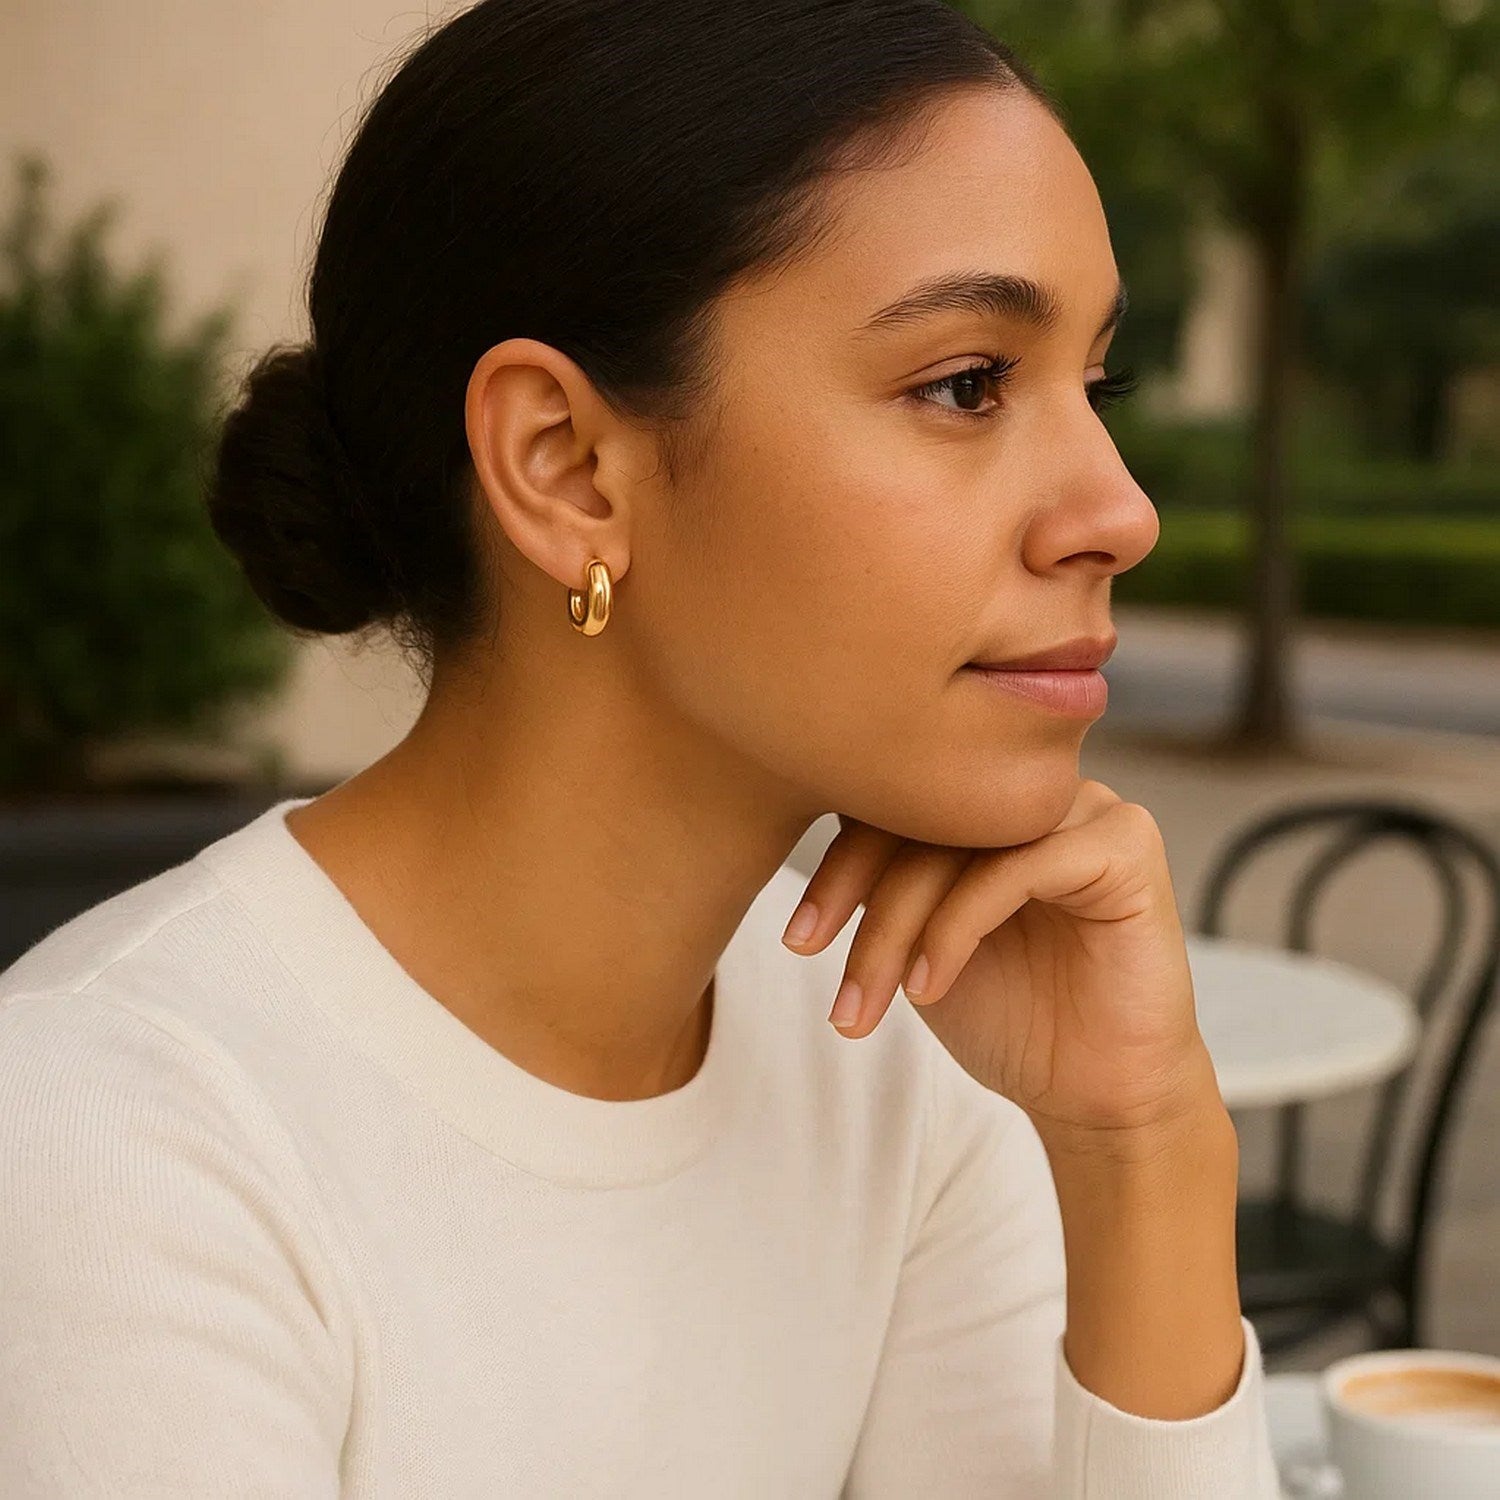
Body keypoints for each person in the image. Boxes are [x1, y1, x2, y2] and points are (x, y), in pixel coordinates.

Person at [0, 1, 1281, 1494]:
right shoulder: (111, 1144)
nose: (1119, 512)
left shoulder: (899, 1049)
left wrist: (1147, 1151)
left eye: (1095, 384)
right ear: (566, 467)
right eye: (967, 383)